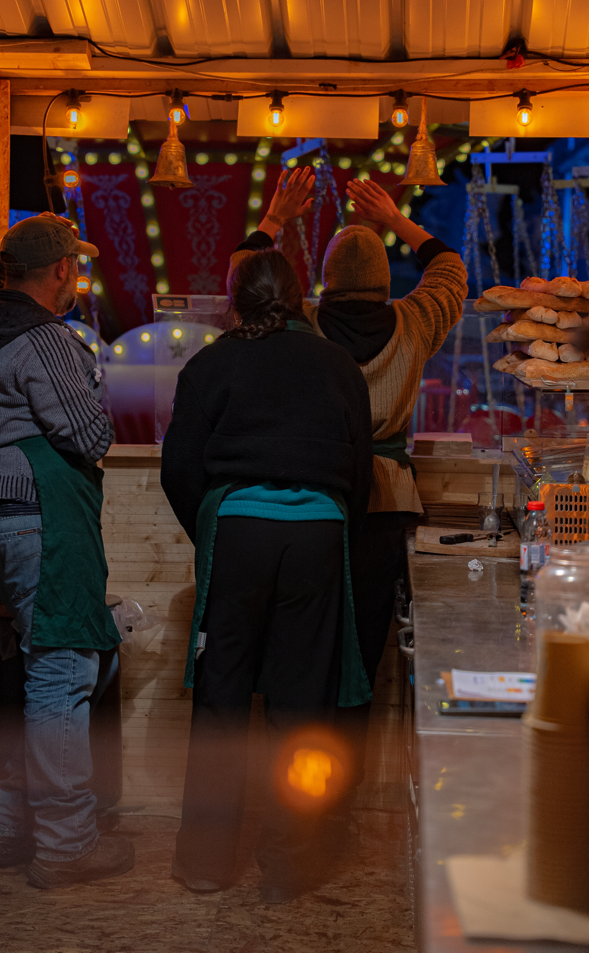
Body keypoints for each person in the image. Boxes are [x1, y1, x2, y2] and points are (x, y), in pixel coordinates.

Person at [231, 168, 467, 784]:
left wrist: (275, 220)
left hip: (314, 497)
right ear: (386, 280)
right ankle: (344, 786)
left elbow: (243, 281)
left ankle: (295, 779)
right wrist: (396, 220)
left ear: (327, 281)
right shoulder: (417, 321)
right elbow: (450, 271)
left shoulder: (298, 325)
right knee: (361, 650)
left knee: (304, 645)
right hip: (386, 503)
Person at [161, 247, 373, 905]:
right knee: (302, 708)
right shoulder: (338, 364)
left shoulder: (210, 363)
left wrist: (216, 534)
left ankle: (205, 863)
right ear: (302, 296)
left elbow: (179, 469)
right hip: (319, 538)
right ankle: (288, 866)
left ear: (235, 299)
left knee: (221, 701)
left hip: (237, 535)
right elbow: (359, 473)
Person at [0, 214, 134, 889]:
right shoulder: (44, 336)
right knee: (62, 676)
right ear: (61, 269)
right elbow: (89, 436)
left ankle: (4, 828)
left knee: (48, 674)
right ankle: (64, 844)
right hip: (44, 510)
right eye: (75, 265)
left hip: (3, 515)